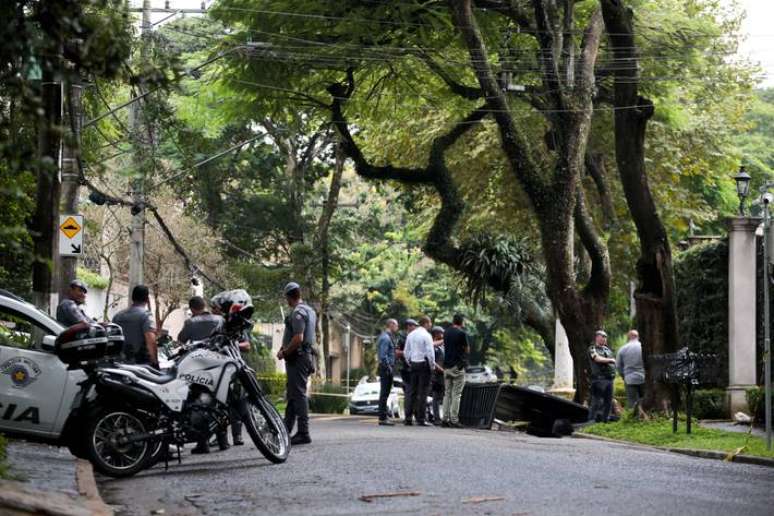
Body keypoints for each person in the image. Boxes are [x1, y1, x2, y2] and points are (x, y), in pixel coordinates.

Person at [176, 296, 230, 454]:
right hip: (218, 365)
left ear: (192, 309)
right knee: (220, 402)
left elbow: (181, 339)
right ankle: (223, 440)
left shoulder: (191, 323)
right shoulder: (220, 320)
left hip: (198, 368)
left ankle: (203, 443)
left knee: (199, 404)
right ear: (204, 305)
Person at [277, 282, 316, 445]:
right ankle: (286, 429)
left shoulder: (298, 312)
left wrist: (285, 352)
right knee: (293, 394)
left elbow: (298, 338)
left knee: (298, 394)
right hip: (304, 356)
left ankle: (303, 432)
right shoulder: (310, 310)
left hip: (297, 358)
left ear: (288, 297)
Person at [113, 285, 158, 367]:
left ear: (132, 298)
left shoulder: (117, 316)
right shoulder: (146, 315)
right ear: (147, 299)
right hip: (140, 365)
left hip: (119, 363)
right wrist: (155, 362)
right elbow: (151, 341)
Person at [403, 316, 435, 426]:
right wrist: (432, 366)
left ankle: (408, 418)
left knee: (412, 392)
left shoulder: (411, 335)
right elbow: (430, 352)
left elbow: (406, 351)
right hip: (424, 365)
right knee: (423, 392)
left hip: (414, 364)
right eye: (430, 323)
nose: (431, 325)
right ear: (426, 323)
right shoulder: (427, 335)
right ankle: (421, 419)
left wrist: (409, 362)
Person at [442, 313, 469, 428]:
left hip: (446, 367)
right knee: (456, 394)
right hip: (457, 367)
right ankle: (454, 420)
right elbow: (467, 349)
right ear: (461, 322)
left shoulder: (446, 332)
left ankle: (445, 419)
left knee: (447, 394)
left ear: (453, 321)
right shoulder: (462, 333)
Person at [588, 330, 616, 423]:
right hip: (599, 379)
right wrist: (610, 360)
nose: (604, 338)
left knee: (608, 401)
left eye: (605, 337)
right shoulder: (592, 349)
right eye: (602, 336)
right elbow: (597, 359)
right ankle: (591, 420)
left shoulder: (607, 350)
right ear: (597, 337)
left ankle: (605, 420)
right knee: (597, 402)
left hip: (610, 379)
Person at [616, 329, 645, 414]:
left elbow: (618, 366)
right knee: (644, 400)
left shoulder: (622, 349)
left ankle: (633, 419)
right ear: (638, 336)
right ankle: (645, 418)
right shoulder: (643, 347)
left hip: (629, 378)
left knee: (632, 402)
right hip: (644, 377)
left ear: (628, 337)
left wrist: (624, 376)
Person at [376, 319, 398, 426]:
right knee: (384, 393)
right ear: (391, 324)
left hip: (387, 368)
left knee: (386, 393)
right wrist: (389, 367)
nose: (397, 327)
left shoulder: (387, 337)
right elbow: (383, 355)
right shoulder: (385, 338)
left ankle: (384, 416)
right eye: (396, 325)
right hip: (386, 368)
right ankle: (382, 418)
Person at [395, 320, 416, 412]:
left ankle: (413, 413)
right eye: (413, 326)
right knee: (409, 391)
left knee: (414, 392)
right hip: (404, 367)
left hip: (414, 367)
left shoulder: (415, 337)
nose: (415, 328)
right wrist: (407, 353)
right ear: (409, 326)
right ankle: (408, 415)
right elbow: (396, 352)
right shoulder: (401, 336)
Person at [430, 326, 445, 426]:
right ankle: (436, 418)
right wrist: (441, 369)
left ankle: (442, 417)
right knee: (436, 398)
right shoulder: (433, 346)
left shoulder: (442, 346)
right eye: (441, 333)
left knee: (442, 397)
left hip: (443, 375)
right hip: (437, 375)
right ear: (437, 334)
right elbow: (432, 361)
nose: (443, 335)